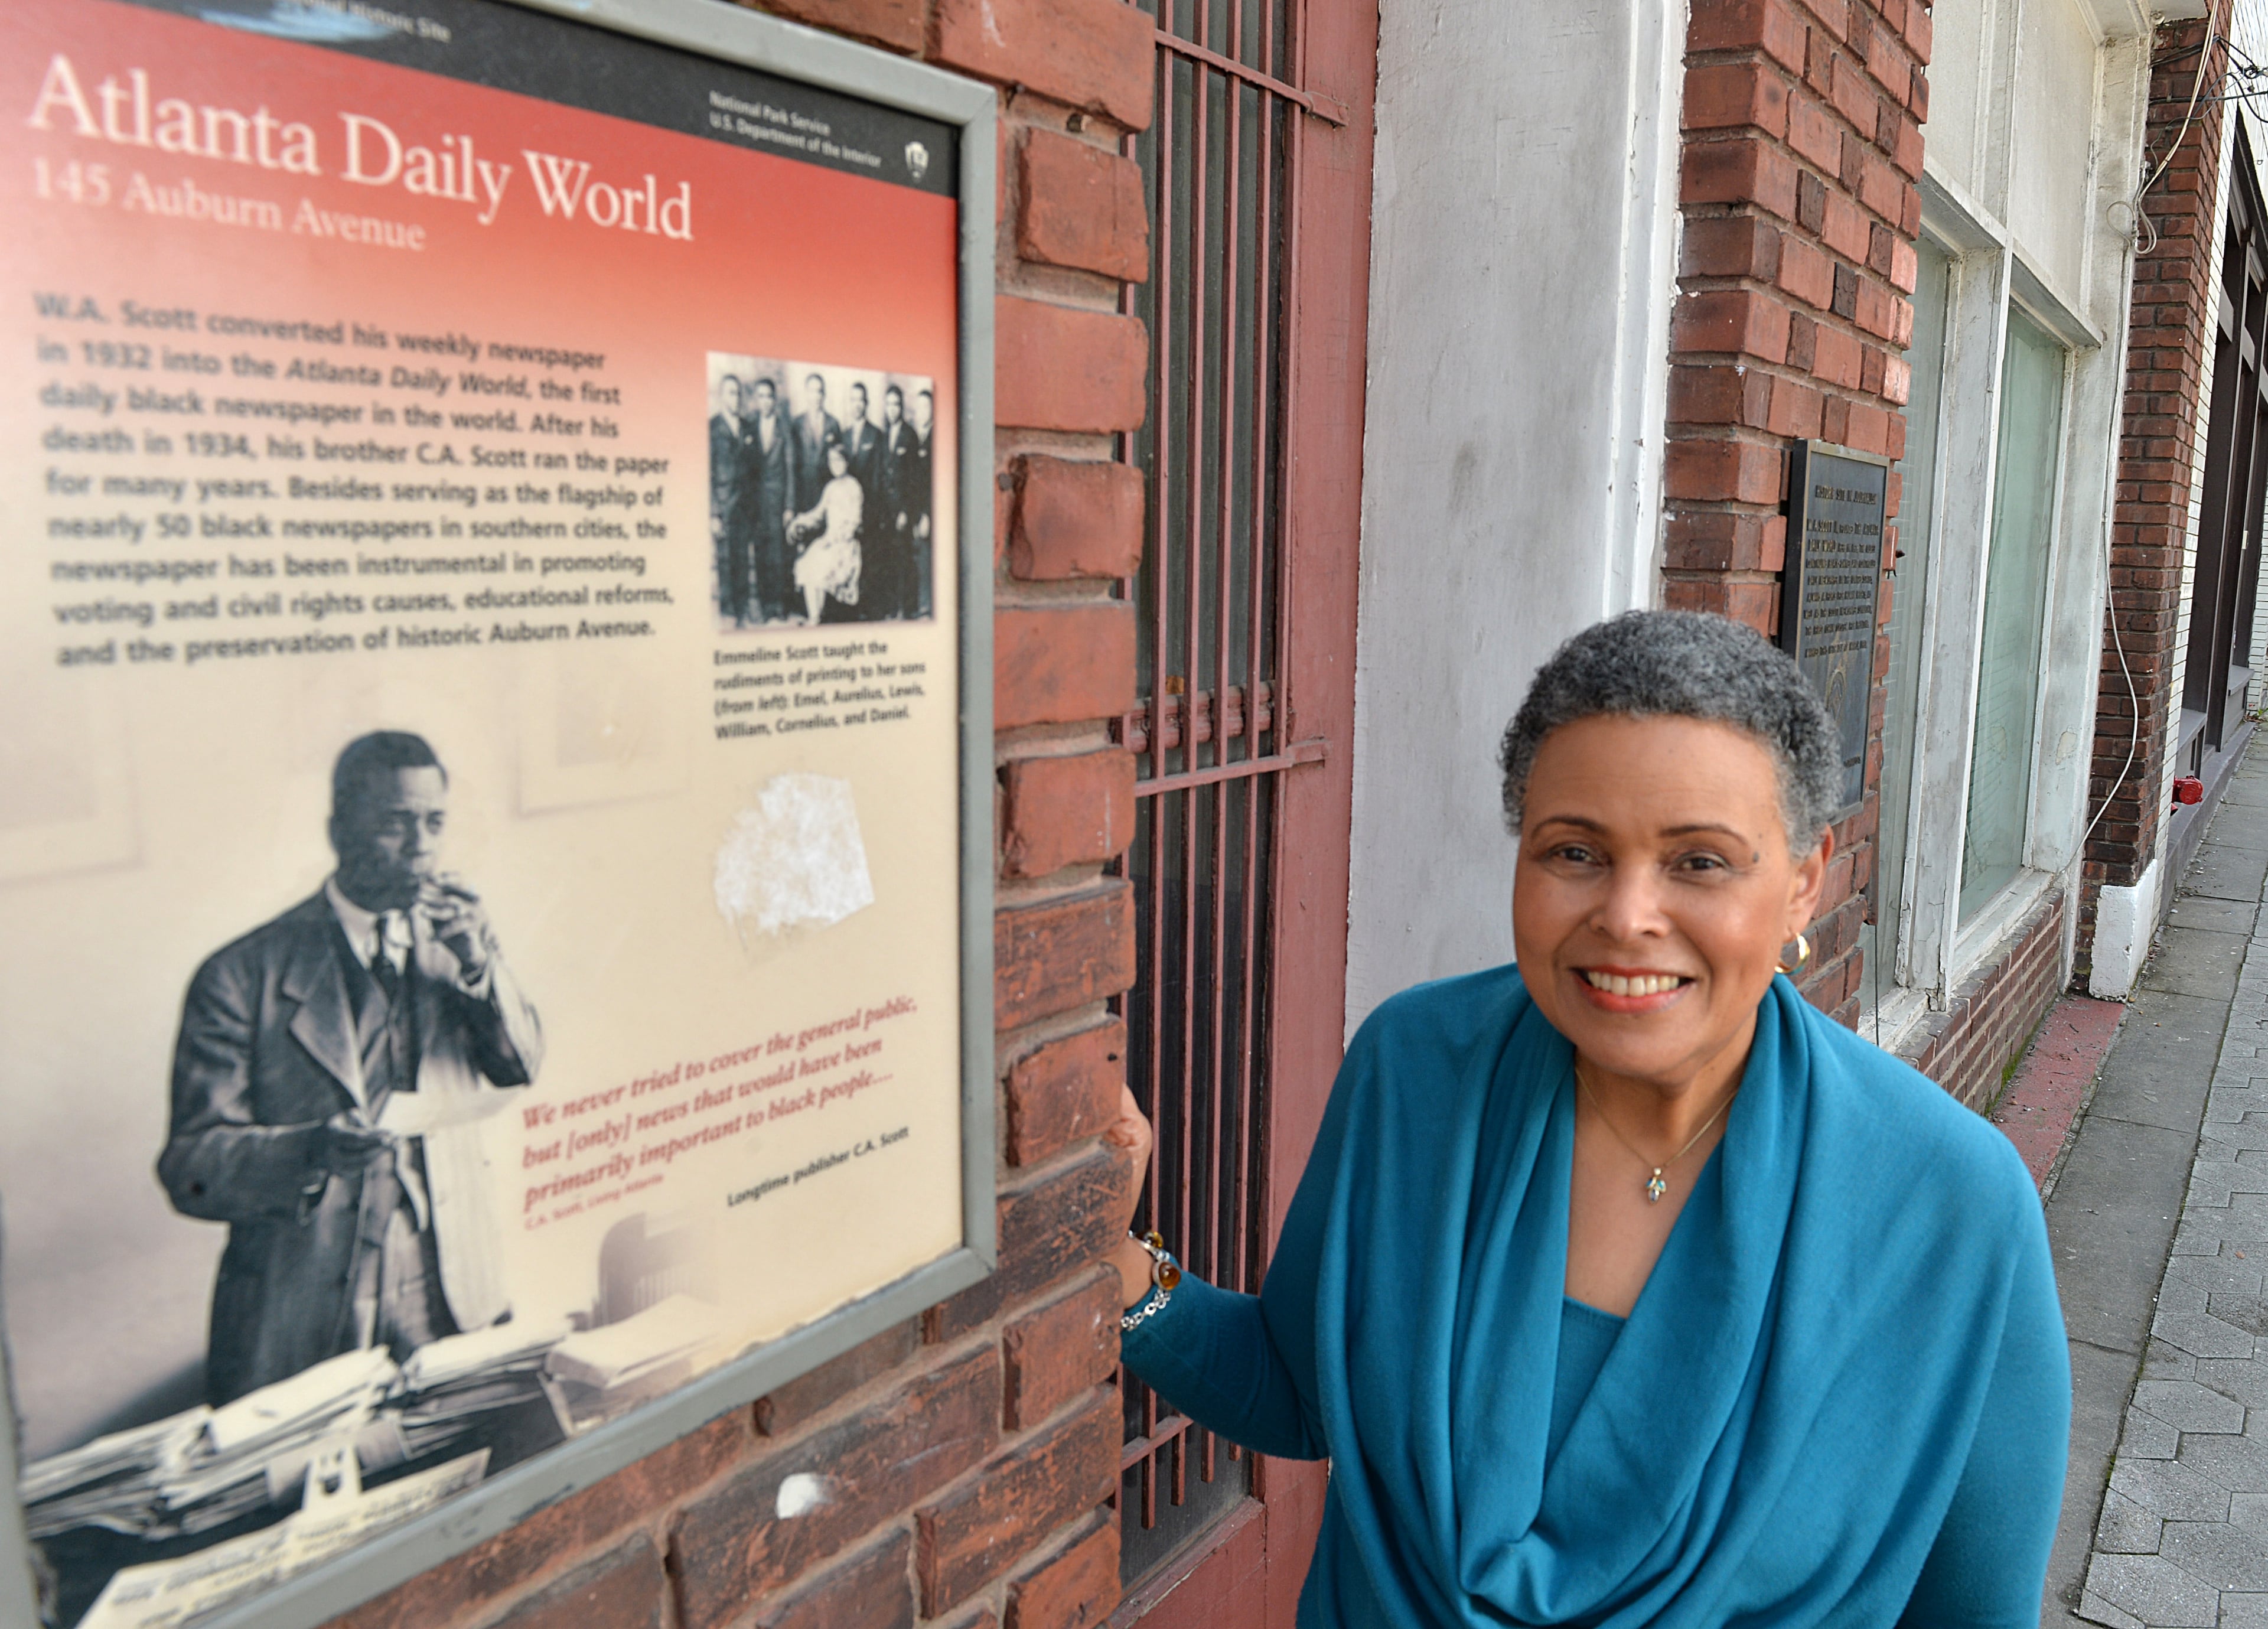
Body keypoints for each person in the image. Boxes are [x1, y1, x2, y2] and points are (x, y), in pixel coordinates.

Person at [1108, 610, 2069, 1628]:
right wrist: (1118, 1262)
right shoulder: (1415, 1075)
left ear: (1803, 880)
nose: (1626, 913)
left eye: (1700, 861)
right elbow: (1300, 1390)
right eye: (1575, 850)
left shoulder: (1951, 1208)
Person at [158, 732, 543, 1405]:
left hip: (452, 1292)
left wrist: (481, 966)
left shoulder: (459, 942)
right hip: (297, 1312)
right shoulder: (239, 974)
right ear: (339, 829)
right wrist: (309, 1150)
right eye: (395, 822)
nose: (422, 845)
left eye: (434, 822)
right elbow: (192, 1164)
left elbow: (520, 1064)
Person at [789, 438, 863, 624]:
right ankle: (815, 618)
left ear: (846, 462)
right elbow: (818, 514)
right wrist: (800, 521)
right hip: (829, 542)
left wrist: (834, 539)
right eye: (831, 461)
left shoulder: (854, 487)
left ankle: (816, 619)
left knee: (821, 568)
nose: (835, 465)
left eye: (839, 460)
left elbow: (854, 523)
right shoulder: (830, 488)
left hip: (845, 546)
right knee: (808, 564)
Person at [745, 377, 794, 623]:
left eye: (769, 396)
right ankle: (766, 607)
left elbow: (791, 468)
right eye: (761, 396)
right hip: (756, 504)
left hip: (777, 501)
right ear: (756, 400)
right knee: (761, 552)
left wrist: (789, 506)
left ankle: (780, 606)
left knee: (780, 554)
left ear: (775, 400)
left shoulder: (784, 428)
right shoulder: (750, 428)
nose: (765, 401)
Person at [708, 374, 753, 624]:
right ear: (721, 396)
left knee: (743, 560)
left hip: (745, 506)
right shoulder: (712, 428)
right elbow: (708, 473)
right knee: (725, 561)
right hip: (724, 505)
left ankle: (742, 611)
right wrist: (714, 513)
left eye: (738, 393)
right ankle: (728, 612)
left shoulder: (747, 428)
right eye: (730, 393)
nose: (735, 398)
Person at [872, 385, 918, 620]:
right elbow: (880, 475)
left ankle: (905, 609)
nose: (892, 409)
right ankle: (891, 608)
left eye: (896, 404)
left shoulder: (910, 436)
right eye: (888, 404)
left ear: (902, 407)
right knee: (888, 558)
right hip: (885, 511)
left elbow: (913, 480)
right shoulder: (883, 436)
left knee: (903, 559)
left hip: (901, 510)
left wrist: (906, 512)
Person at [786, 372, 840, 531]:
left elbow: (839, 465)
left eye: (820, 391)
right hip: (804, 496)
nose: (816, 396)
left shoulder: (833, 424)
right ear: (806, 393)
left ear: (824, 394)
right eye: (812, 391)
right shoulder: (797, 424)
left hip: (826, 496)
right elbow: (792, 466)